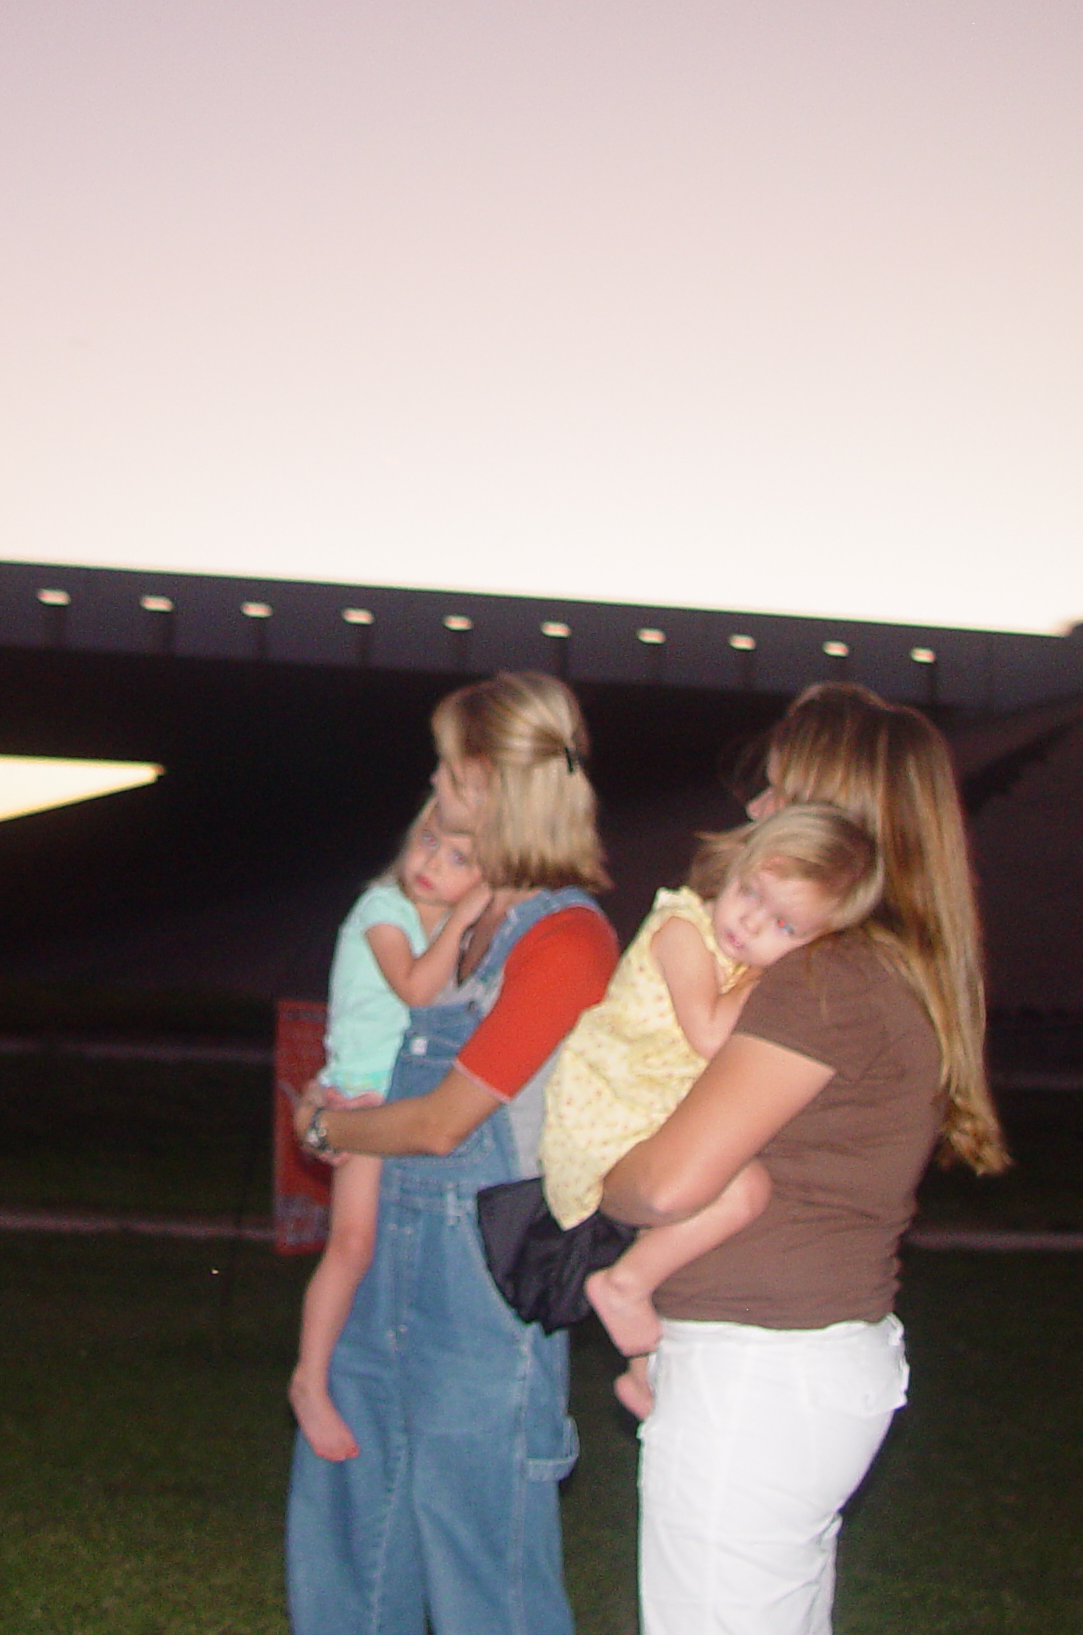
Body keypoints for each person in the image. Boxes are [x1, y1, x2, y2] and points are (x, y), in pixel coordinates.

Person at [596, 682, 1010, 1635]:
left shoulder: (825, 979)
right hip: (797, 1366)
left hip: (758, 1377)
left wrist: (592, 1172)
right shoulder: (880, 970)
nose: (753, 812)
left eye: (780, 793)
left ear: (839, 822)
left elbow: (668, 1181)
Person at [286, 672, 620, 1635]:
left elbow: (441, 1123)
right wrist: (338, 1100)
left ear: (484, 781)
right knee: (352, 1536)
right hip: (381, 1265)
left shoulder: (565, 938)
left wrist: (325, 1129)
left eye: (446, 765)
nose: (431, 781)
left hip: (482, 1293)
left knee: (486, 1569)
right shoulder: (448, 917)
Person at [484, 805, 880, 1422]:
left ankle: (642, 1374)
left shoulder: (739, 955)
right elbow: (706, 1033)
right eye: (750, 891)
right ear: (737, 864)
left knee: (687, 1210)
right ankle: (623, 1285)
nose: (749, 922)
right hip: (604, 1111)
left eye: (785, 926)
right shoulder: (682, 928)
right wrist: (767, 979)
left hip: (645, 1115)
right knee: (744, 1190)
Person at [290, 798, 494, 1461]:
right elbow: (414, 988)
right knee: (350, 1246)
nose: (432, 863)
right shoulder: (383, 910)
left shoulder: (445, 928)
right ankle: (310, 1383)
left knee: (378, 1253)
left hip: (398, 1097)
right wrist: (465, 914)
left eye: (458, 857)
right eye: (428, 842)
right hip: (364, 1100)